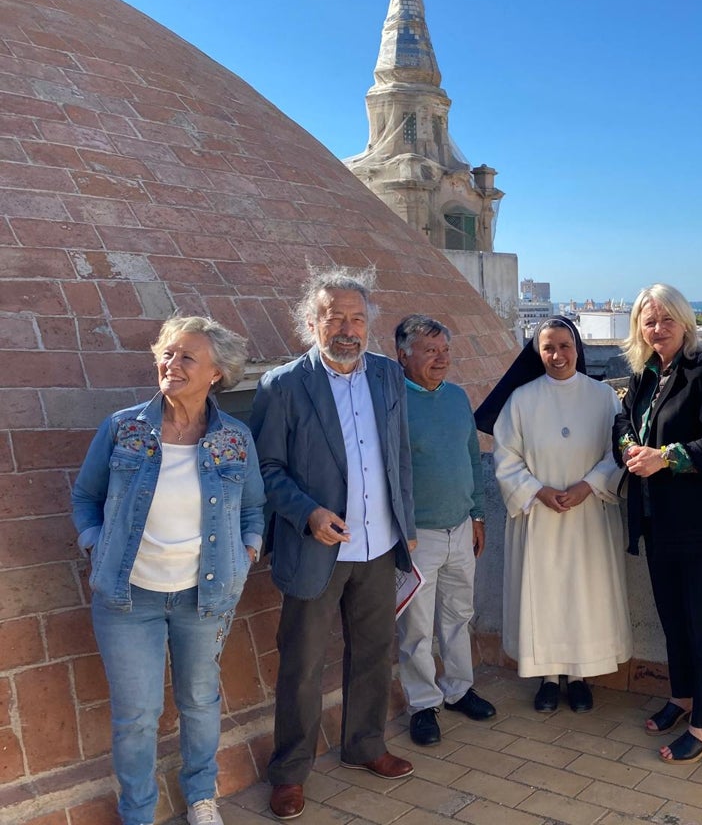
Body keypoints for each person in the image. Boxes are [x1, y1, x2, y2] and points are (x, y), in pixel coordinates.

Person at [71, 317, 265, 825]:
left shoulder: (234, 439)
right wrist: (95, 543)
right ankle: (137, 812)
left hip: (204, 596)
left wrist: (248, 550)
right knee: (137, 716)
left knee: (200, 700)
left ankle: (201, 796)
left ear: (217, 374)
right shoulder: (124, 428)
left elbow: (252, 509)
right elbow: (85, 497)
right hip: (127, 597)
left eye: (186, 358)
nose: (171, 365)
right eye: (167, 354)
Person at [250, 270, 418, 821]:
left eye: (356, 318)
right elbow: (266, 469)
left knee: (373, 652)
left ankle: (365, 745)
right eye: (334, 317)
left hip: (379, 545)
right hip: (317, 548)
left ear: (368, 323)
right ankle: (290, 773)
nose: (347, 329)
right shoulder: (282, 385)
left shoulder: (389, 377)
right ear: (311, 322)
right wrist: (308, 513)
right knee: (301, 664)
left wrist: (406, 522)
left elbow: (398, 457)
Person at [612, 284, 702, 764]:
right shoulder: (643, 376)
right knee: (675, 622)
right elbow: (623, 424)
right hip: (658, 524)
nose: (657, 329)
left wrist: (666, 457)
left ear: (685, 323)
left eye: (667, 320)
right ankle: (684, 697)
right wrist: (629, 448)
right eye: (649, 321)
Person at [476, 317, 631, 713]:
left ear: (577, 348)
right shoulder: (521, 399)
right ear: (537, 353)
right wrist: (537, 491)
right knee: (543, 596)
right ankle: (547, 677)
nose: (557, 355)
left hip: (589, 515)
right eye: (548, 348)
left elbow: (618, 453)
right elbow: (505, 457)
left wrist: (588, 486)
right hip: (539, 517)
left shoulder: (603, 397)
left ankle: (579, 677)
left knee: (583, 596)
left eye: (564, 346)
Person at [393, 314, 495, 746]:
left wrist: (477, 515)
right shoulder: (392, 401)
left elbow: (472, 458)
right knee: (415, 627)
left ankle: (458, 689)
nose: (441, 359)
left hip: (459, 528)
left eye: (445, 350)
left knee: (458, 615)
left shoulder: (456, 397)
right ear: (403, 355)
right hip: (418, 536)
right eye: (430, 350)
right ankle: (422, 705)